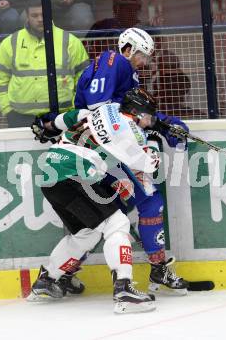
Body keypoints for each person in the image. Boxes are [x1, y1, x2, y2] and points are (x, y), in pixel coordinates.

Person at [72, 27, 191, 295]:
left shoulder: (123, 70)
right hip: (104, 151)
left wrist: (160, 123)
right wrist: (151, 128)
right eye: (141, 55)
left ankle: (60, 273)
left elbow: (128, 110)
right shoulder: (114, 62)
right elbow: (100, 108)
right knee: (145, 202)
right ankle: (157, 269)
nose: (145, 62)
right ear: (127, 49)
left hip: (103, 149)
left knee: (105, 216)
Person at [29, 87, 160, 314]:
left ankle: (47, 280)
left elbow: (72, 116)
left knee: (85, 234)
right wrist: (153, 149)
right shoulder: (131, 130)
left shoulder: (104, 108)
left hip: (50, 172)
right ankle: (124, 289)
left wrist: (49, 126)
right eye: (148, 118)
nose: (149, 123)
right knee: (117, 224)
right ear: (137, 114)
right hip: (75, 172)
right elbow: (147, 165)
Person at [0, 0, 89, 127]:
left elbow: (84, 78)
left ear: (50, 13)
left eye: (43, 14)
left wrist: (75, 110)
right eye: (34, 15)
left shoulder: (70, 42)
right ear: (27, 16)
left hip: (62, 118)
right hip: (20, 118)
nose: (40, 19)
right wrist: (7, 110)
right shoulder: (11, 43)